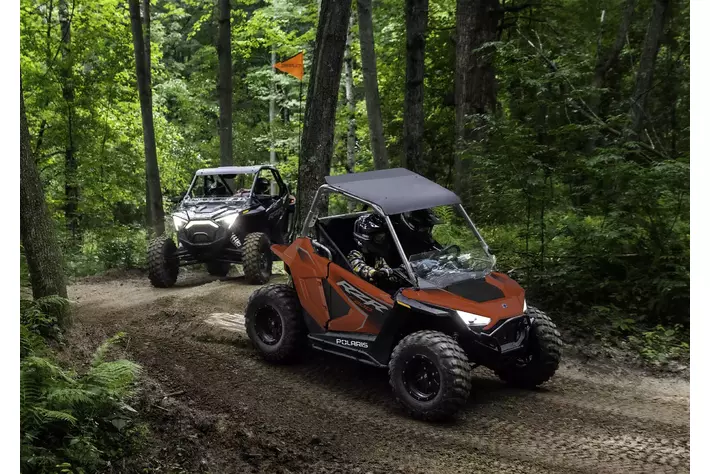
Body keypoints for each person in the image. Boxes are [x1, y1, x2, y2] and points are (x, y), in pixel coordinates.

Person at [347, 213, 398, 284]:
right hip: (361, 286)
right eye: (379, 238)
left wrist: (389, 273)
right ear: (364, 239)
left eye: (383, 237)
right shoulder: (354, 254)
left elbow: (387, 268)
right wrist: (374, 273)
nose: (382, 241)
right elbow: (359, 267)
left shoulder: (378, 256)